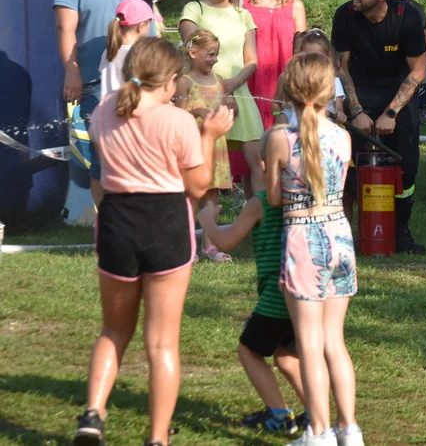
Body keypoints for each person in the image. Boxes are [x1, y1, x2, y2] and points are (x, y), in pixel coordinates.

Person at [74, 37, 233, 446]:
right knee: (162, 342)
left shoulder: (106, 109)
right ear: (169, 80)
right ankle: (158, 437)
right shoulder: (177, 120)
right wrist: (211, 134)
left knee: (113, 330)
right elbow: (197, 187)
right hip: (164, 223)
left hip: (117, 223)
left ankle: (93, 414)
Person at [264, 52, 362, 446]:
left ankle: (318, 433)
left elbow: (273, 198)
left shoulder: (278, 139)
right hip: (339, 233)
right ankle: (349, 429)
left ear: (288, 88)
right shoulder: (343, 136)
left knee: (308, 343)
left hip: (302, 237)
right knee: (334, 342)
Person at [196, 125, 308, 434]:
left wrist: (207, 218)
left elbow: (227, 242)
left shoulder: (260, 202)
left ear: (262, 164)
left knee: (249, 350)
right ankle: (315, 414)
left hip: (276, 293)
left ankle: (279, 416)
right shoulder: (308, 199)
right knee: (287, 357)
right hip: (304, 290)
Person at [55, 0, 170, 181]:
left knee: (147, 151)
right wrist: (72, 72)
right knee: (106, 158)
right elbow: (65, 29)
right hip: (97, 83)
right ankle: (107, 216)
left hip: (146, 82)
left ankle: (140, 210)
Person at [332, 0, 426, 254]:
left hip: (399, 90)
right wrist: (357, 112)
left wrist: (390, 113)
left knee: (407, 165)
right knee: (353, 166)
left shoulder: (407, 17)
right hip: (359, 90)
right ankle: (351, 231)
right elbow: (341, 67)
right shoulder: (345, 15)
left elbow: (418, 71)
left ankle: (400, 231)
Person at [178, 0, 264, 197]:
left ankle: (258, 223)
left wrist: (233, 84)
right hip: (203, 96)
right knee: (200, 161)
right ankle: (199, 223)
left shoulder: (243, 14)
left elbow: (252, 60)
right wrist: (219, 88)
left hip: (238, 93)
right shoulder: (194, 10)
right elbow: (193, 48)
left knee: (258, 163)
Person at [175, 30, 234, 263]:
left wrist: (229, 108)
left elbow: (227, 106)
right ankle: (187, 246)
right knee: (191, 198)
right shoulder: (184, 82)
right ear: (192, 53)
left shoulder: (219, 80)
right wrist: (198, 111)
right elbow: (178, 118)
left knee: (212, 197)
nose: (215, 59)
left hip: (217, 148)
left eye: (216, 54)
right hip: (194, 147)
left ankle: (210, 246)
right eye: (210, 54)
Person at [243, 0, 307, 130]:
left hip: (282, 88)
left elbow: (301, 55)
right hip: (250, 82)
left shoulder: (295, 7)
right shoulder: (242, 3)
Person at [277, 29, 346, 126]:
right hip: (295, 123)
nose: (312, 62)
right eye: (307, 56)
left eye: (317, 57)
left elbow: (339, 108)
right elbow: (284, 103)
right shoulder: (294, 79)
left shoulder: (334, 81)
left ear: (327, 57)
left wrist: (340, 113)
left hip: (323, 125)